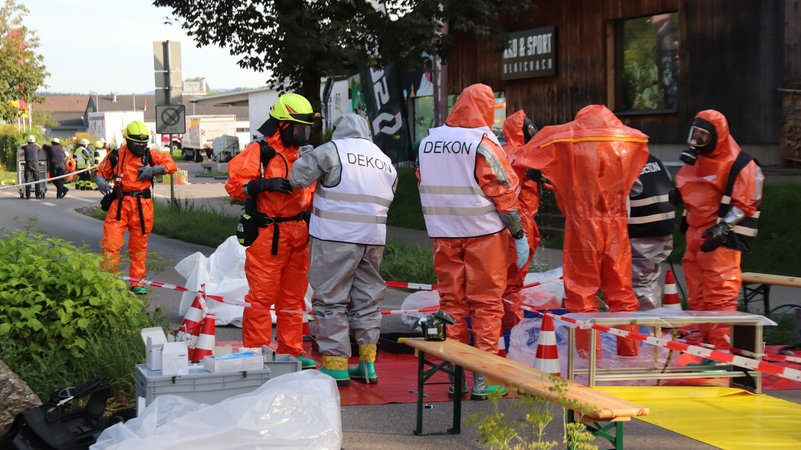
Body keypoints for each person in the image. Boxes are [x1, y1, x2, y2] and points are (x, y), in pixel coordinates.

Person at [418, 83, 529, 400]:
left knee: (451, 305)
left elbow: (422, 181)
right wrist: (518, 234)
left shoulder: (429, 142)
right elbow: (503, 191)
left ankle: (456, 378)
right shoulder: (482, 143)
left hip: (443, 234)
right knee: (486, 306)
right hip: (483, 234)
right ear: (486, 108)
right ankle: (485, 379)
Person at [512, 105, 649, 357]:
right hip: (616, 225)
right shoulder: (628, 141)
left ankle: (587, 357)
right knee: (622, 293)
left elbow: (525, 155)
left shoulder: (570, 140)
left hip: (583, 226)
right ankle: (629, 354)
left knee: (582, 294)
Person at [289, 113, 398, 385]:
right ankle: (367, 365)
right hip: (373, 239)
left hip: (334, 238)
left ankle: (336, 366)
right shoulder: (383, 160)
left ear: (339, 130)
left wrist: (305, 155)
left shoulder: (332, 150)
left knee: (330, 299)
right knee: (367, 300)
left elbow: (297, 178)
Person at [225, 93, 318, 370]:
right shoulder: (260, 151)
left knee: (294, 297)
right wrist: (262, 185)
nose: (303, 135)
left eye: (306, 129)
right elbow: (235, 186)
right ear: (282, 125)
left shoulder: (306, 154)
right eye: (299, 129)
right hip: (268, 234)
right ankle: (256, 354)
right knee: (261, 299)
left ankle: (292, 350)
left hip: (299, 232)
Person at [673, 109, 763, 348]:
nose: (698, 141)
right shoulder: (697, 160)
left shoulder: (741, 163)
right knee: (697, 295)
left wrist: (723, 228)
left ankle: (721, 351)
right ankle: (706, 345)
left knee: (720, 296)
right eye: (696, 134)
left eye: (704, 136)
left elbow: (746, 203)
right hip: (695, 233)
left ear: (718, 136)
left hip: (718, 239)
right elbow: (693, 187)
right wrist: (679, 195)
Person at [96, 120, 177, 295]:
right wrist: (101, 180)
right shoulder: (116, 155)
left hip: (142, 206)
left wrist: (154, 170)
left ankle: (137, 282)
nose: (140, 147)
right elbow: (102, 171)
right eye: (136, 143)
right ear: (127, 140)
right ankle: (108, 282)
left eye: (143, 143)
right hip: (119, 204)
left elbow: (171, 165)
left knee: (138, 247)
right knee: (111, 244)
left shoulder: (150, 155)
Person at [500, 110, 542, 336]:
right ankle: (511, 334)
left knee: (499, 284)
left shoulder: (502, 153)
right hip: (520, 223)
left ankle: (499, 333)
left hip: (504, 221)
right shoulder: (526, 156)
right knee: (512, 286)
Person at [628, 153, 675, 310]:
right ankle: (652, 323)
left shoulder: (626, 162)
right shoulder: (653, 160)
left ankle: (646, 328)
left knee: (639, 283)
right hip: (662, 229)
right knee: (648, 280)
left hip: (640, 231)